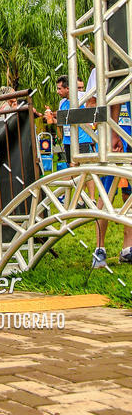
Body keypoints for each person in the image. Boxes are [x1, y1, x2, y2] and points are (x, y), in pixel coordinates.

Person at [79, 68, 132, 269]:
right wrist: (111, 130)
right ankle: (99, 249)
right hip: (111, 134)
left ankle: (128, 248)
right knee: (106, 192)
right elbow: (91, 102)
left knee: (129, 193)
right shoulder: (103, 65)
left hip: (127, 131)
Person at [44, 76, 71, 164]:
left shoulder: (80, 100)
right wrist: (51, 119)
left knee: (83, 168)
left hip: (80, 140)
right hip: (67, 140)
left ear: (67, 88)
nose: (57, 91)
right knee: (70, 166)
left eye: (59, 89)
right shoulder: (62, 103)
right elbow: (62, 122)